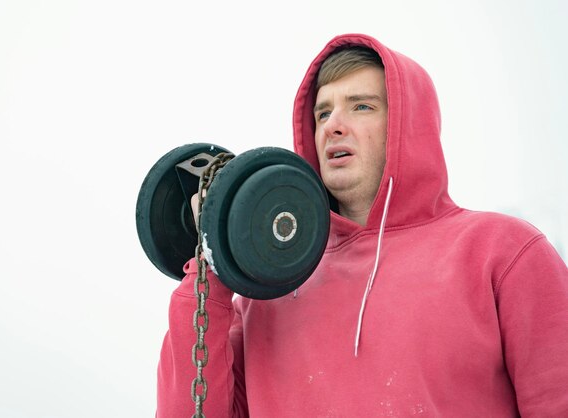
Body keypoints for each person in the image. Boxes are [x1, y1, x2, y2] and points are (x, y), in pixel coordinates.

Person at [155, 33, 568, 417]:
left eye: (361, 106)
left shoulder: (503, 252)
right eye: (322, 112)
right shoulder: (267, 290)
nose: (333, 124)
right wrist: (215, 257)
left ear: (408, 124)